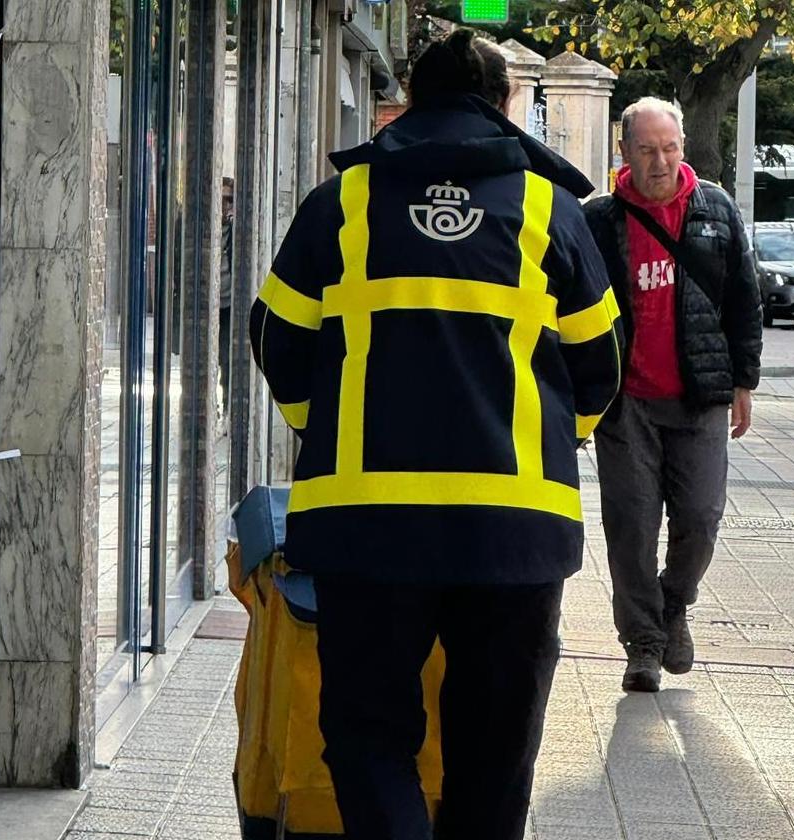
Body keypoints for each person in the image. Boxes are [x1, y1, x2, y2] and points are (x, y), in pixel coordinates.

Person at [249, 29, 623, 840]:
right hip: (514, 535)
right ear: (506, 104)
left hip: (365, 526)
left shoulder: (343, 202)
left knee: (369, 739)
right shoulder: (546, 209)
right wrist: (553, 438)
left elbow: (279, 340)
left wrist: (327, 430)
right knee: (493, 757)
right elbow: (602, 366)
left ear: (408, 99)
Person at [584, 98, 763, 693]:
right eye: (646, 150)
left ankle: (674, 603)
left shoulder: (715, 208)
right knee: (630, 525)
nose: (660, 162)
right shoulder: (599, 219)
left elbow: (745, 295)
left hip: (700, 394)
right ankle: (642, 644)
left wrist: (744, 380)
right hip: (624, 400)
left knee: (702, 518)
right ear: (625, 152)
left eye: (670, 149)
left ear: (682, 148)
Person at [219, 176, 234, 419]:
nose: (224, 205)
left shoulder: (235, 231)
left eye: (228, 199)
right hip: (209, 305)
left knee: (226, 358)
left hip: (230, 304)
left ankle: (227, 406)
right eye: (220, 199)